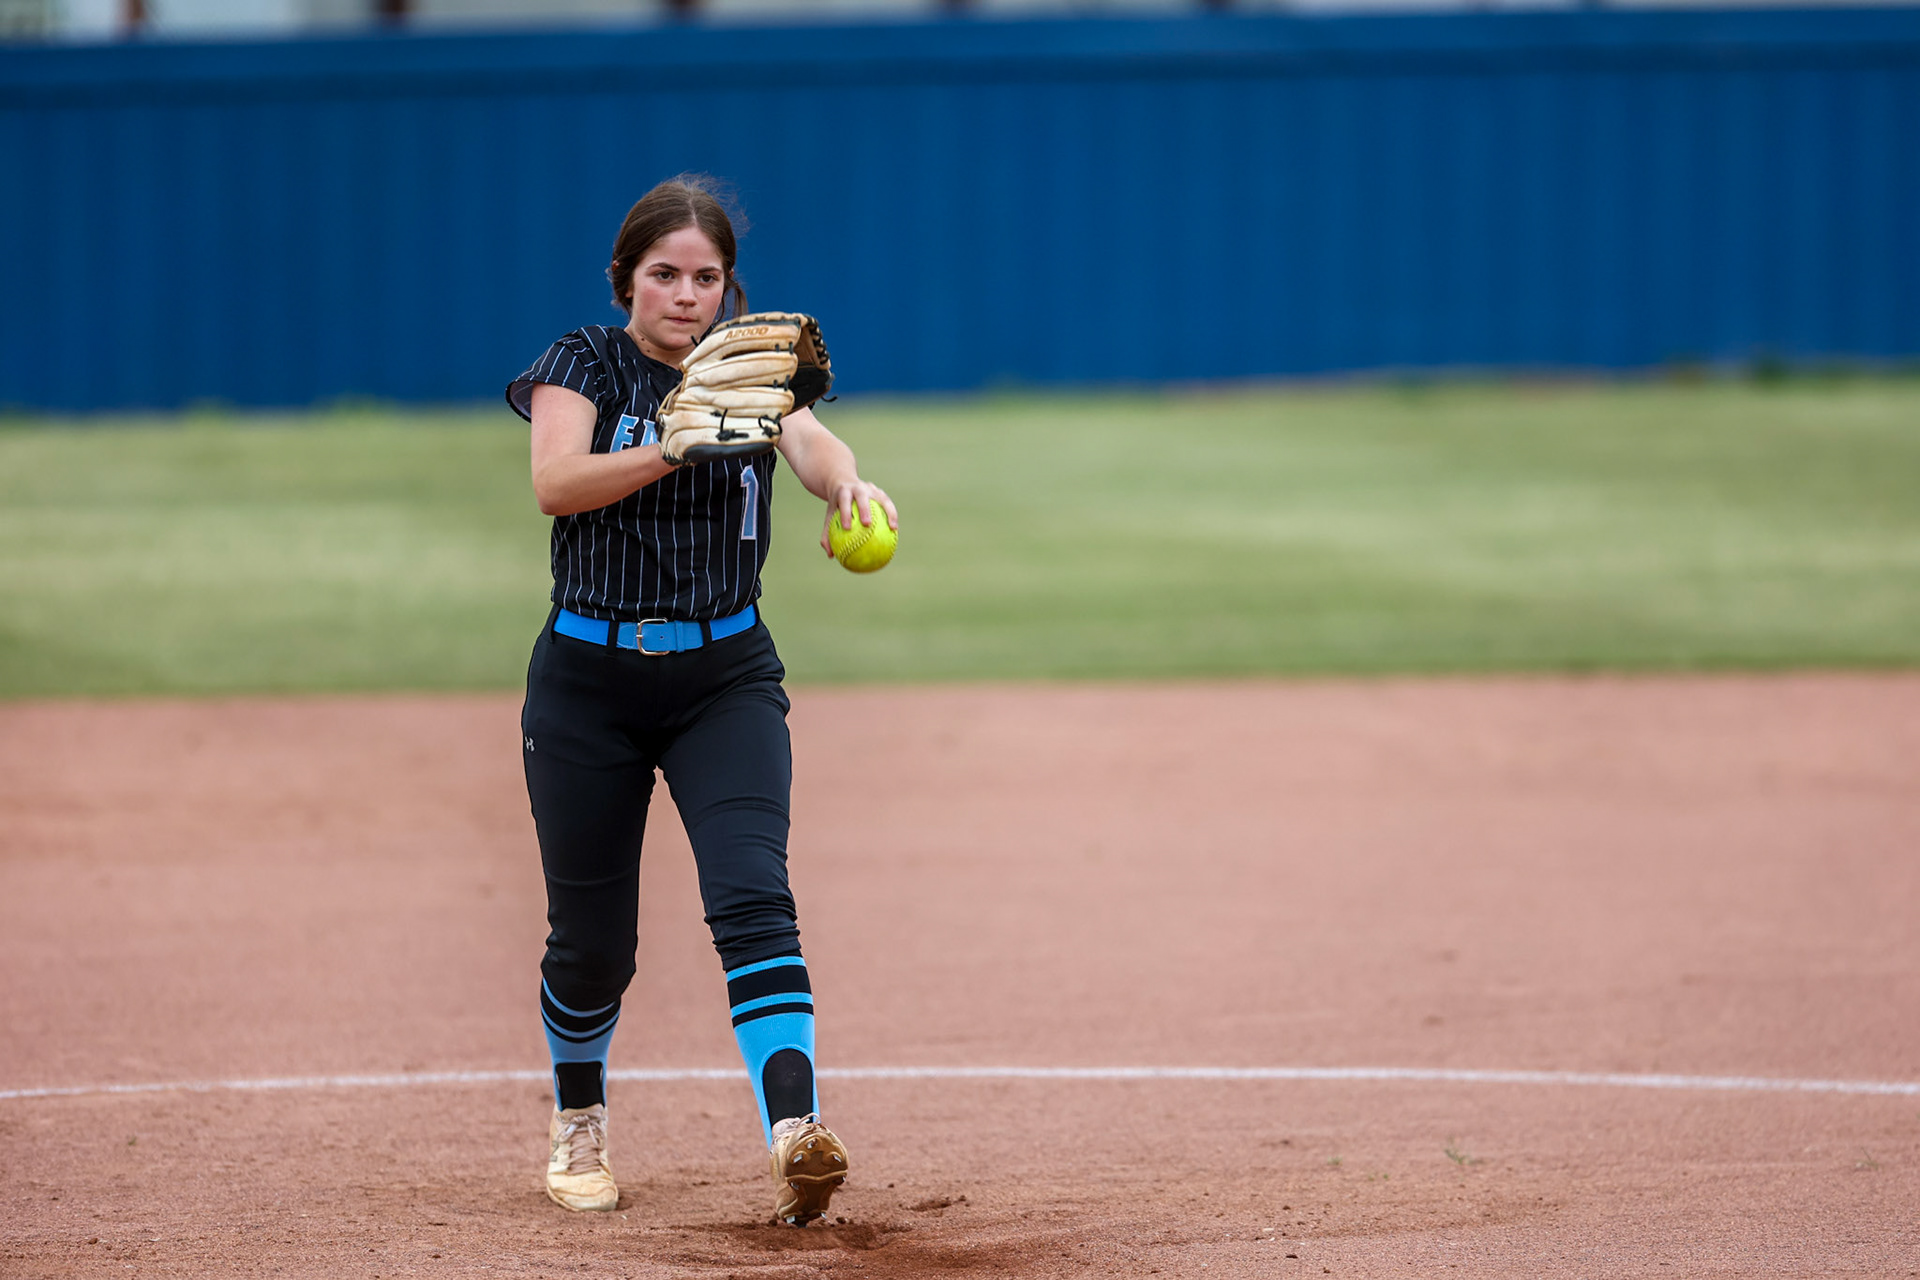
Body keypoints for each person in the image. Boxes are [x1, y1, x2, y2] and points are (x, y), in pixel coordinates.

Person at [504, 174, 896, 1225]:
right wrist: (670, 444)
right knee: (594, 941)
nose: (685, 295)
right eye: (664, 274)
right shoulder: (580, 363)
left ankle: (795, 1132)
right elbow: (555, 479)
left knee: (752, 894)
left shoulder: (754, 366)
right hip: (587, 684)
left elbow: (810, 441)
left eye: (705, 277)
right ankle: (578, 1117)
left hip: (726, 677)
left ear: (729, 285)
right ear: (624, 278)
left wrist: (847, 482)